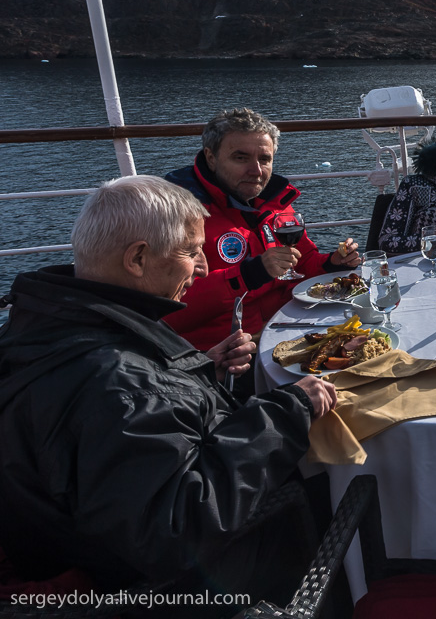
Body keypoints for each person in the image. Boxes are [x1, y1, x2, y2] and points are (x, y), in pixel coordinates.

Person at [0, 175, 338, 614]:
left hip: (67, 541)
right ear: (137, 258)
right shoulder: (116, 382)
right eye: (190, 251)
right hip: (173, 588)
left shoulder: (48, 326)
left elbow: (121, 428)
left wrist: (199, 370)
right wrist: (286, 410)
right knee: (336, 480)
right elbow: (178, 528)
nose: (201, 267)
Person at [164, 108, 362, 349]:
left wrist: (332, 262)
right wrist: (248, 275)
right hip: (224, 356)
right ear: (211, 157)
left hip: (287, 333)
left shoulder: (275, 204)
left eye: (264, 159)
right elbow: (169, 312)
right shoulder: (177, 215)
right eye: (241, 157)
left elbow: (301, 263)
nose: (256, 171)